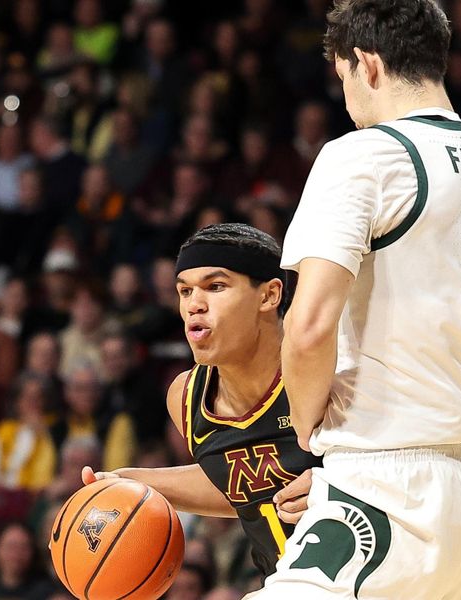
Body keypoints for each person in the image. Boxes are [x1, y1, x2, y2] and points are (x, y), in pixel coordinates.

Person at [250, 1, 461, 597]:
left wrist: (305, 437)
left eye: (344, 78)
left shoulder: (364, 156)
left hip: (375, 489)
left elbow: (309, 325)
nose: (347, 100)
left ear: (367, 65)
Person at [82, 223, 320, 581]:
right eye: (184, 291)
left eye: (216, 286)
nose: (194, 304)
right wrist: (128, 482)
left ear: (269, 296)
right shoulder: (185, 396)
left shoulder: (323, 365)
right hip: (283, 580)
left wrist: (339, 483)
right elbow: (239, 487)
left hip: (373, 569)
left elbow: (407, 458)